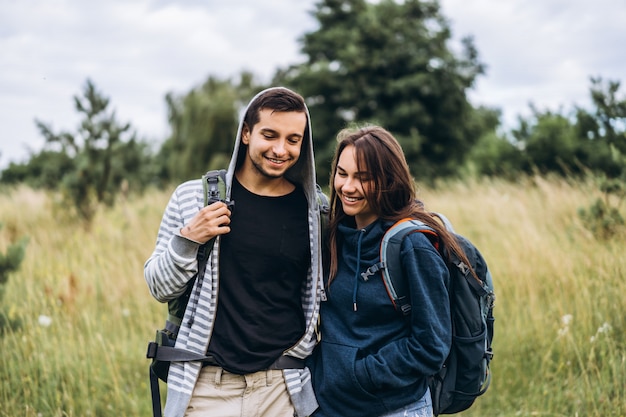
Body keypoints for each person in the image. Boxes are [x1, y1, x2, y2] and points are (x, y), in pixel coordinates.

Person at [144, 87, 324, 417]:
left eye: (293, 139)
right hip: (208, 387)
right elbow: (159, 287)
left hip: (283, 388)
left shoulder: (316, 212)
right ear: (246, 133)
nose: (281, 149)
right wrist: (189, 238)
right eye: (269, 135)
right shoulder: (192, 198)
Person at [309, 125, 472, 417]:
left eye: (363, 178)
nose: (347, 187)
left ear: (388, 180)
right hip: (332, 407)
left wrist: (362, 374)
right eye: (342, 174)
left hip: (395, 407)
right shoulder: (334, 236)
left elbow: (431, 346)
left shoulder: (412, 246)